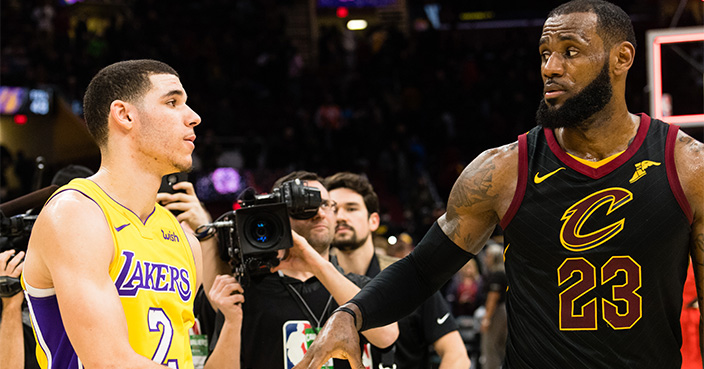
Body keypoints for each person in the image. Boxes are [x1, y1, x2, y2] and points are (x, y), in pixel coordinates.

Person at [293, 1, 704, 368]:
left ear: (622, 58)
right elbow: (421, 271)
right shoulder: (502, 171)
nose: (550, 67)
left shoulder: (687, 167)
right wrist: (349, 315)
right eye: (545, 53)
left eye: (570, 51)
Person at [21, 59, 240, 369]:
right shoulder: (75, 212)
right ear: (124, 115)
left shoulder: (184, 239)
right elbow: (109, 362)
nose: (194, 117)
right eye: (172, 102)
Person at [207, 171, 398, 369]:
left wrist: (314, 263)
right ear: (279, 215)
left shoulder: (358, 286)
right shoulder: (246, 292)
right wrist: (231, 322)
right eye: (305, 206)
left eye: (325, 204)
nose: (319, 213)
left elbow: (387, 336)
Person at [325, 171, 470, 369]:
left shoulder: (411, 277)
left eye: (351, 208)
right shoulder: (313, 279)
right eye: (333, 209)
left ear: (373, 221)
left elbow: (456, 355)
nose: (340, 217)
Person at [477, 243, 507, 369]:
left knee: (489, 345)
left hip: (497, 311)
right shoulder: (503, 273)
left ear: (495, 257)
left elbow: (493, 298)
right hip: (504, 311)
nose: (485, 259)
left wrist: (486, 318)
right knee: (501, 345)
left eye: (488, 256)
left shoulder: (497, 275)